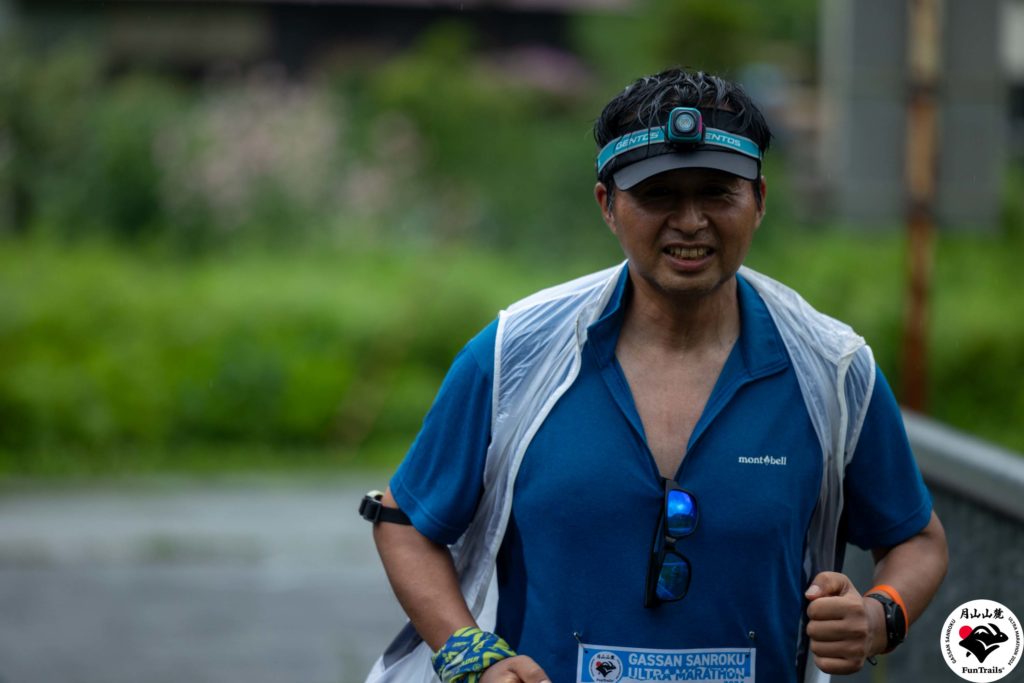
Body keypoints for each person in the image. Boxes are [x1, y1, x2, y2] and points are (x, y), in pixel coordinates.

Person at [361, 68, 948, 683]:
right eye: (658, 194)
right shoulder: (516, 354)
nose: (690, 221)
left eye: (717, 193)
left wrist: (880, 615)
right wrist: (470, 656)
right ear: (607, 205)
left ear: (759, 201)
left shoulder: (831, 367)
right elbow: (405, 523)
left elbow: (917, 539)